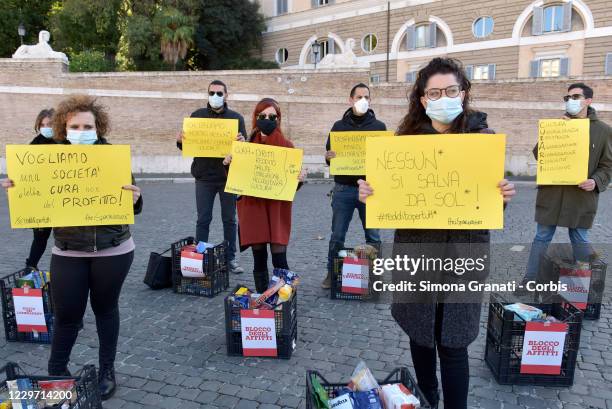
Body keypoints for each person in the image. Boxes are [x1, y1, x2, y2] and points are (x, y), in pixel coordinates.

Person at [357, 58, 515, 409]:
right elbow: (388, 195)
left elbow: (488, 207)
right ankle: (428, 400)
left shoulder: (482, 140)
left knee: (454, 343)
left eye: (450, 90)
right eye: (434, 92)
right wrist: (371, 193)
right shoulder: (405, 142)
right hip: (417, 251)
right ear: (422, 99)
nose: (443, 97)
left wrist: (501, 196)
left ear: (463, 93)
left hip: (465, 253)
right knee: (421, 334)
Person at [3, 95, 143, 400]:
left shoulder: (112, 157)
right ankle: (56, 371)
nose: (82, 130)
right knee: (67, 314)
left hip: (113, 249)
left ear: (98, 127)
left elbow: (133, 207)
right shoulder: (49, 159)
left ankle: (107, 370)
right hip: (67, 250)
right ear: (64, 127)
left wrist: (136, 198)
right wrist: (19, 190)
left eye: (87, 125)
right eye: (75, 125)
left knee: (106, 310)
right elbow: (38, 205)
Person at [518, 82, 612, 289]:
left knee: (579, 237)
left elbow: (607, 165)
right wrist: (554, 132)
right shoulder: (557, 125)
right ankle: (530, 280)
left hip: (581, 196)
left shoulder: (603, 131)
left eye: (576, 97)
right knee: (541, 237)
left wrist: (596, 181)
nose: (571, 101)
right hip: (552, 194)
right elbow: (538, 155)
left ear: (588, 100)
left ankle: (584, 285)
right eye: (568, 98)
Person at [223, 98, 305, 292]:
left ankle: (283, 298)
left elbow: (291, 185)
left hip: (277, 208)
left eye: (272, 116)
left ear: (278, 119)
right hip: (253, 207)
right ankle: (261, 296)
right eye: (263, 116)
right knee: (258, 258)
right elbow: (237, 179)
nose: (267, 119)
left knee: (279, 257)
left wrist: (299, 179)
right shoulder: (246, 145)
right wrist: (228, 164)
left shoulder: (287, 147)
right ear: (255, 117)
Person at [177, 80, 246, 274]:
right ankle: (199, 258)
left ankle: (231, 258)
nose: (215, 96)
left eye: (219, 93)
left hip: (227, 178)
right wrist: (179, 141)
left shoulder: (236, 118)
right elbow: (186, 146)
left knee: (230, 220)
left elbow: (244, 149)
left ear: (226, 95)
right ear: (207, 94)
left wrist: (241, 142)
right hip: (204, 178)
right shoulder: (196, 117)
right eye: (212, 93)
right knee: (203, 219)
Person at [322, 83, 386, 289]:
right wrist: (328, 157)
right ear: (350, 100)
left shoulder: (379, 128)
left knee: (373, 235)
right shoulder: (338, 127)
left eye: (366, 96)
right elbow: (329, 155)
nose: (362, 100)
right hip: (343, 189)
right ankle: (331, 273)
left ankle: (375, 276)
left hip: (370, 190)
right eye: (358, 97)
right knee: (337, 235)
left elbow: (385, 159)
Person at [25, 108, 56, 270]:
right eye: (42, 124)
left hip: (64, 198)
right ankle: (30, 266)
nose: (46, 127)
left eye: (49, 124)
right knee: (40, 237)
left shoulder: (66, 143)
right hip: (42, 200)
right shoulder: (34, 144)